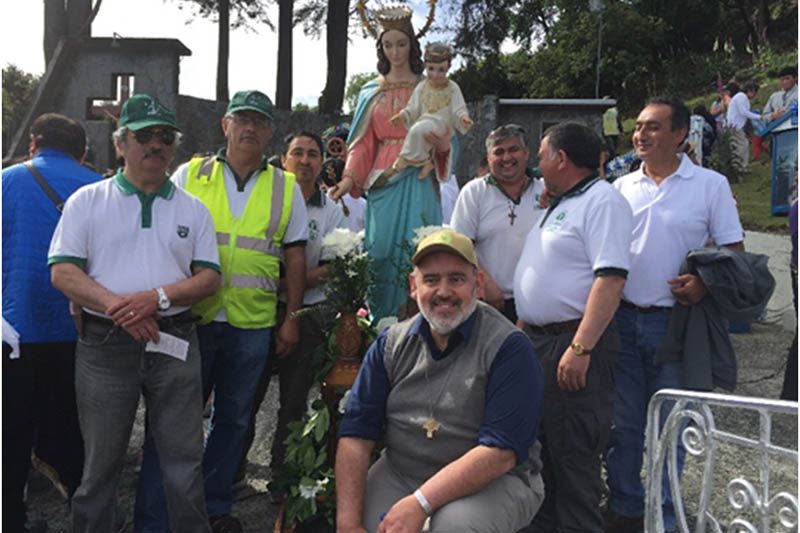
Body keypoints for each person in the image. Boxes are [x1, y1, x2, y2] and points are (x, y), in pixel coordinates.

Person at [134, 90, 308, 532]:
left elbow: (296, 257)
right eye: (241, 119)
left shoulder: (285, 185)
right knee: (174, 418)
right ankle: (156, 515)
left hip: (251, 323)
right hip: (192, 318)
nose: (250, 128)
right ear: (225, 125)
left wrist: (291, 317)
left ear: (270, 131)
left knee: (233, 418)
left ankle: (211, 507)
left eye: (259, 121)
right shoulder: (191, 174)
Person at [48, 94, 220, 533]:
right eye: (143, 135)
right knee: (100, 465)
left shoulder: (193, 209)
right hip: (105, 346)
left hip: (174, 338)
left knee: (184, 462)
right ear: (121, 143)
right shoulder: (87, 201)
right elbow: (63, 272)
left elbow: (208, 279)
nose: (155, 144)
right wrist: (121, 309)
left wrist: (156, 299)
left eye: (165, 136)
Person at [336, 228, 545, 533]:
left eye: (457, 279)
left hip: (494, 482)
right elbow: (356, 434)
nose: (443, 291)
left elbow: (501, 453)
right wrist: (347, 524)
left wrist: (420, 503)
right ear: (413, 286)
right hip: (403, 472)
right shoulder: (390, 344)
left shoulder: (509, 347)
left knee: (451, 526)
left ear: (478, 283)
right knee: (365, 520)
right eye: (431, 280)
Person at [605, 97, 745, 533]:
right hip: (622, 321)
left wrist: (705, 284)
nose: (640, 135)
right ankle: (626, 509)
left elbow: (734, 255)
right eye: (638, 127)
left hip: (677, 325)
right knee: (623, 426)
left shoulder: (710, 186)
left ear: (680, 134)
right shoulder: (620, 188)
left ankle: (665, 516)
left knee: (671, 427)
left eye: (652, 127)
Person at [513, 122, 633, 533]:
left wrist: (581, 349)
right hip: (539, 343)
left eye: (542, 155)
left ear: (561, 158)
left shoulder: (602, 201)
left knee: (574, 459)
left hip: (571, 343)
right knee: (541, 455)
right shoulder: (564, 202)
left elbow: (611, 279)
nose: (537, 164)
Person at [3, 113, 99, 532]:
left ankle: (10, 519)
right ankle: (90, 517)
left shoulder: (6, 181)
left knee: (10, 435)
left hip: (13, 331)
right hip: (79, 332)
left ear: (33, 144)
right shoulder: (98, 190)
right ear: (82, 151)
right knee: (74, 430)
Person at [328, 5, 454, 321]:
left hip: (419, 176)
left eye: (401, 43)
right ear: (380, 48)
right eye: (388, 44)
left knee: (418, 249)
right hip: (382, 179)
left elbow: (448, 132)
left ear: (412, 44)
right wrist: (348, 179)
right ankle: (381, 322)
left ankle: (420, 320)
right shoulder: (371, 91)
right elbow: (362, 141)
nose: (395, 51)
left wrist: (442, 146)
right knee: (381, 251)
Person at [239, 131, 346, 486]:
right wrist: (294, 280)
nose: (304, 161)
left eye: (312, 154)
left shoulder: (331, 210)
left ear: (321, 162)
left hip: (308, 316)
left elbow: (331, 267)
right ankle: (232, 471)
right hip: (258, 311)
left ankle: (281, 477)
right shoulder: (263, 198)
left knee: (294, 400)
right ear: (282, 159)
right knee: (244, 397)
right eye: (296, 153)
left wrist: (280, 281)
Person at [450, 124, 545, 323]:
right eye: (499, 152)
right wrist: (484, 282)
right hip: (488, 300)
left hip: (538, 299)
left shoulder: (545, 190)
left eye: (513, 150)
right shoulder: (474, 192)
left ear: (526, 153)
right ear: (489, 158)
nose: (507, 158)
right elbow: (460, 245)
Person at [389, 42, 473, 176]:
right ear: (425, 67)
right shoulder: (422, 86)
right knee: (419, 131)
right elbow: (412, 107)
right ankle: (427, 163)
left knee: (417, 130)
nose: (435, 74)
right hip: (425, 121)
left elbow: (458, 109)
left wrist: (463, 118)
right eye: (431, 69)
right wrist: (403, 116)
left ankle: (405, 159)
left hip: (442, 125)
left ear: (448, 69)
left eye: (441, 70)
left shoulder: (452, 88)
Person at [725, 80, 761, 173]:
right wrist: (759, 117)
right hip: (735, 125)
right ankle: (741, 167)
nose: (754, 95)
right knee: (743, 144)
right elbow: (744, 112)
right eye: (755, 92)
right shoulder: (741, 97)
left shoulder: (741, 97)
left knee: (741, 144)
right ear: (751, 90)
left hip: (737, 125)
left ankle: (740, 165)